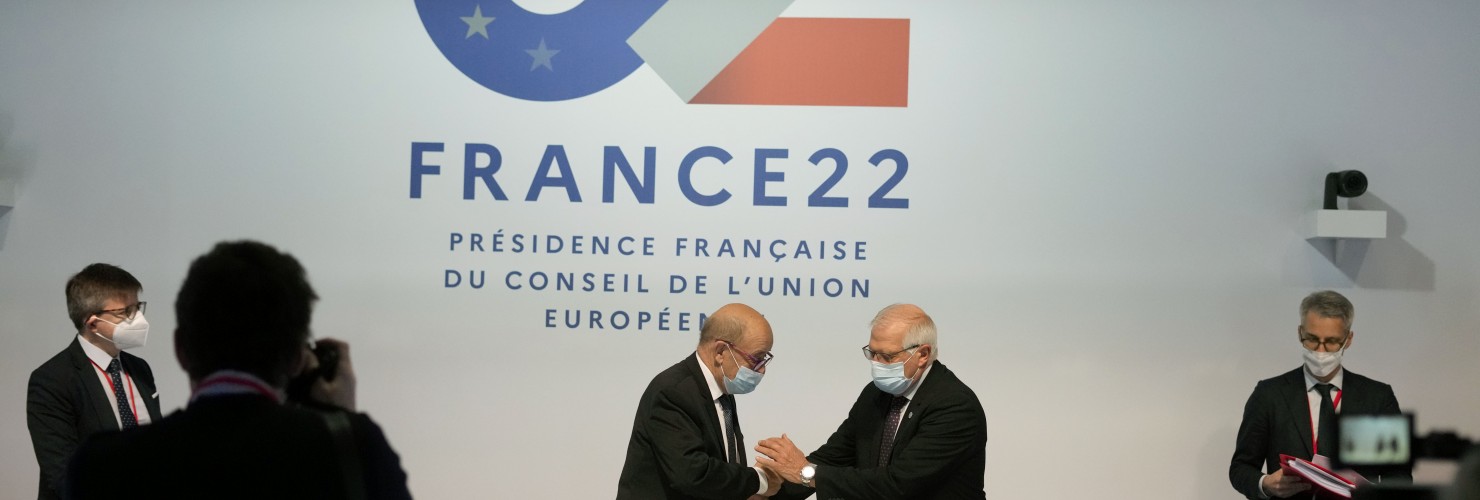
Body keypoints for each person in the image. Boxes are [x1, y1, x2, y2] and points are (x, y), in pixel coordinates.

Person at [64, 240, 411, 499]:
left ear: (181, 349)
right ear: (295, 356)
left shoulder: (103, 466)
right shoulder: (356, 449)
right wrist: (338, 423)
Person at [755, 303, 987, 499]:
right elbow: (835, 457)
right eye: (872, 353)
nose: (876, 363)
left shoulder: (954, 406)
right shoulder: (876, 393)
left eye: (887, 356)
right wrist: (770, 489)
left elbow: (899, 484)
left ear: (923, 354)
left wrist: (806, 473)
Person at [1230, 290, 1410, 499]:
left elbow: (1399, 475)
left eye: (1332, 341)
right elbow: (1240, 468)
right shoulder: (1269, 394)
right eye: (1312, 339)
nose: (1321, 351)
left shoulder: (1377, 398)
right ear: (1300, 333)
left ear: (1348, 339)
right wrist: (1266, 484)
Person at [27, 263, 165, 500]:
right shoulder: (52, 380)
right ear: (92, 322)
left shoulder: (140, 369)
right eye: (125, 311)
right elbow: (64, 474)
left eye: (138, 307)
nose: (138, 319)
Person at [617, 303, 783, 499]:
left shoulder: (721, 391)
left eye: (765, 359)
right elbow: (692, 474)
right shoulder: (672, 392)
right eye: (756, 358)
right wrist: (759, 480)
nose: (762, 369)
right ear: (721, 351)